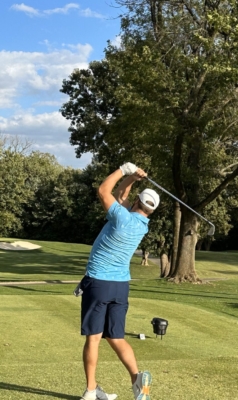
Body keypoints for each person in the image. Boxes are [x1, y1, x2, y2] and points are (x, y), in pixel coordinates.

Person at [78, 162, 159, 400]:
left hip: (98, 283)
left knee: (93, 338)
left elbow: (104, 191)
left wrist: (124, 170)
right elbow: (121, 195)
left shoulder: (121, 219)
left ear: (137, 202)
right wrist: (134, 178)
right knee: (116, 337)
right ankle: (136, 379)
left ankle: (91, 391)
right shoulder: (142, 224)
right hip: (120, 287)